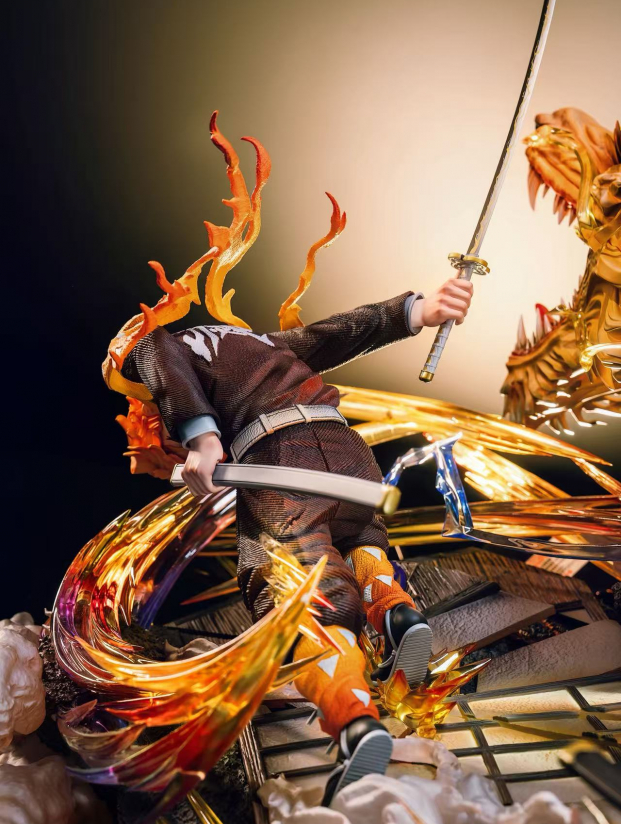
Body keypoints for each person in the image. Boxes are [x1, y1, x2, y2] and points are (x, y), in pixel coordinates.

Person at [119, 277, 473, 804]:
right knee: (358, 540)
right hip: (348, 453)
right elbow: (341, 331)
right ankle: (396, 612)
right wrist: (417, 309)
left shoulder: (179, 345)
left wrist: (202, 437)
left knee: (296, 597)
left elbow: (149, 346)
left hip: (281, 458)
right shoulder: (266, 345)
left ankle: (355, 723)